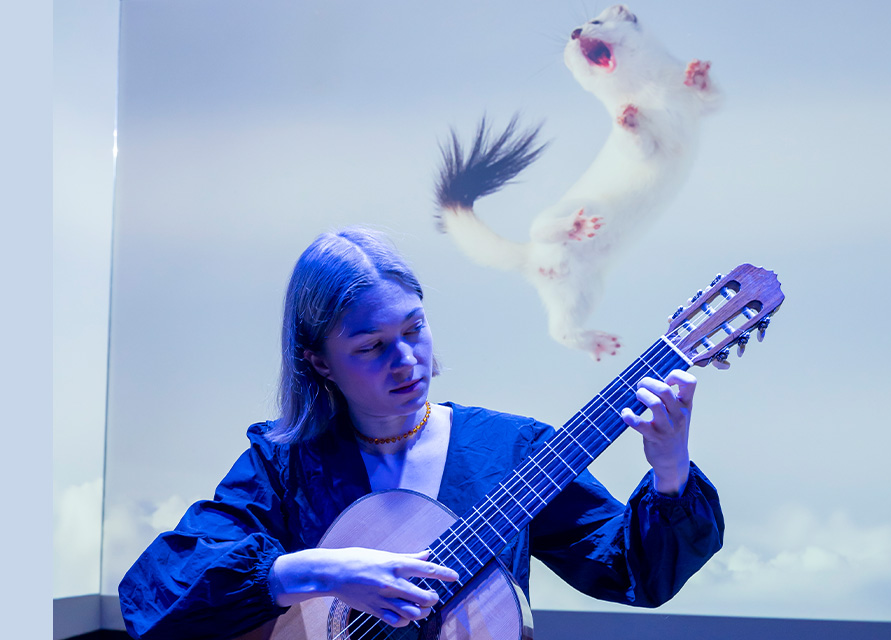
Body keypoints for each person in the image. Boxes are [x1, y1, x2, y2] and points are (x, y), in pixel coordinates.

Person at [119, 226, 723, 640]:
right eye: (372, 346)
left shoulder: (513, 454)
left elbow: (633, 573)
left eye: (414, 328)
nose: (406, 359)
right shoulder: (284, 465)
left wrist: (670, 472)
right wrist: (320, 572)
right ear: (319, 362)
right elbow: (156, 594)